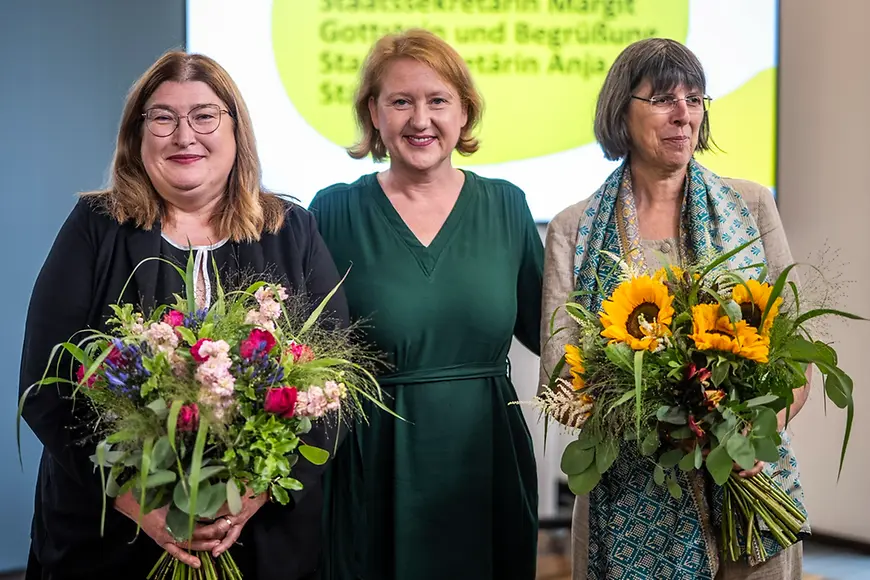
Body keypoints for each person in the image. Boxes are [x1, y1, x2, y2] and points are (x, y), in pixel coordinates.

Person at [19, 51, 347, 580]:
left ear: (236, 130)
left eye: (204, 115)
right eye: (163, 118)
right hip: (110, 538)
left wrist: (248, 500)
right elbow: (45, 384)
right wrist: (140, 506)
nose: (183, 135)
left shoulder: (292, 230)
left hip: (255, 540)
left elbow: (331, 387)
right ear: (138, 135)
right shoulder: (94, 227)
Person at [540, 38, 810, 580]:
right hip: (630, 496)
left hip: (747, 485)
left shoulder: (751, 205)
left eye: (695, 98)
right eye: (664, 98)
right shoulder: (575, 227)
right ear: (622, 110)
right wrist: (659, 421)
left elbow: (792, 358)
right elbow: (559, 374)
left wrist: (747, 437)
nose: (683, 115)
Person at [310, 28, 543, 580]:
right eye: (401, 101)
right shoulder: (331, 214)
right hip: (373, 465)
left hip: (486, 459)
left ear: (464, 112)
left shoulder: (507, 207)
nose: (421, 120)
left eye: (438, 100)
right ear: (374, 113)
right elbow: (301, 357)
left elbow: (556, 333)